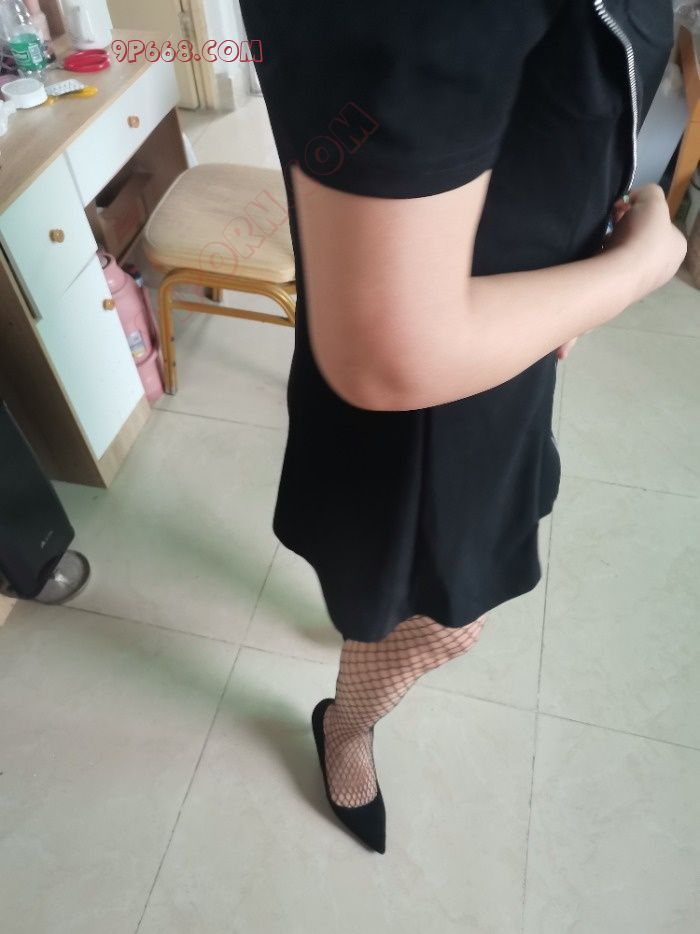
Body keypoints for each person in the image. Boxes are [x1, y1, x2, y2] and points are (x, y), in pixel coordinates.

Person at [238, 0, 687, 853]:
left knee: (389, 580)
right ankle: (346, 725)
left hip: (491, 343)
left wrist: (576, 282)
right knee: (443, 621)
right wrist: (640, 268)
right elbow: (390, 355)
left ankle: (363, 614)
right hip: (426, 392)